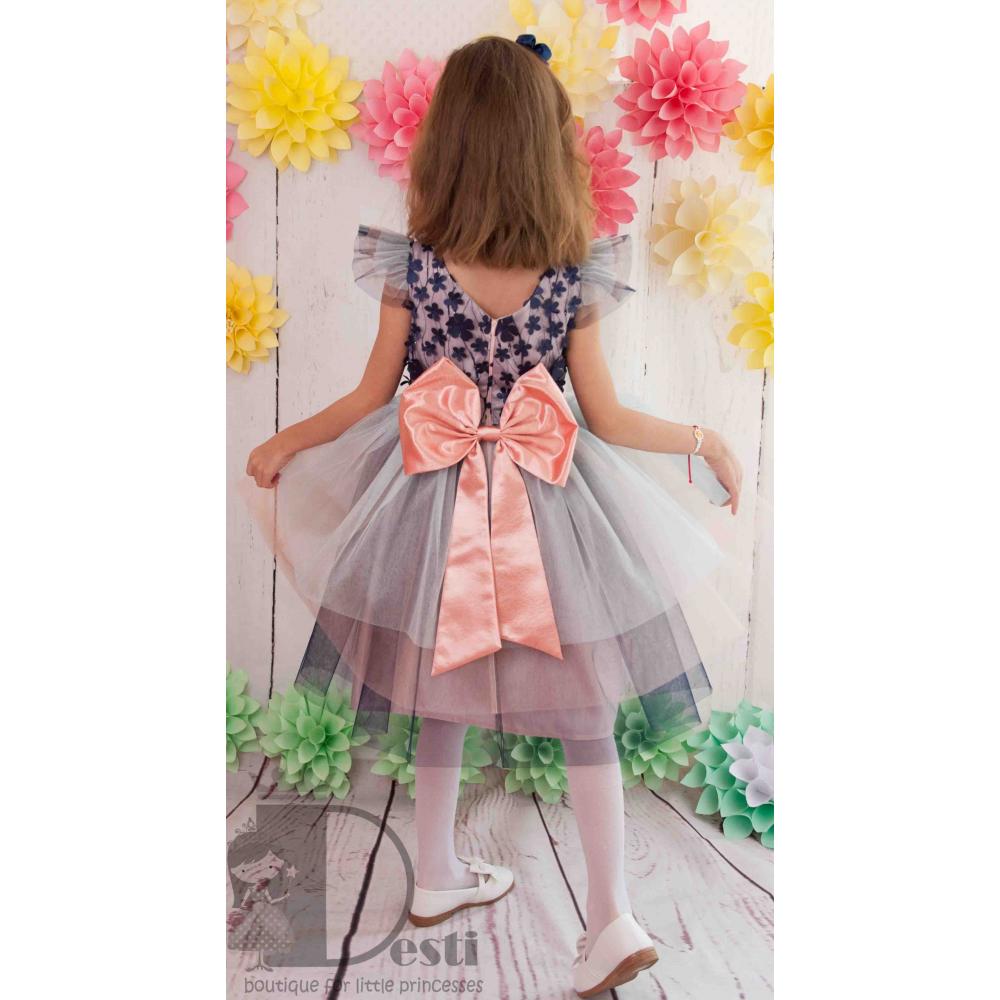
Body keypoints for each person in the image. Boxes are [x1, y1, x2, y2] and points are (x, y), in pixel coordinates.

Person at [245, 34, 742, 998]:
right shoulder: (571, 277)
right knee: (587, 711)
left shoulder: (416, 271)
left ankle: (437, 871)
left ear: (450, 146)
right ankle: (607, 913)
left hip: (431, 506)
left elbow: (367, 397)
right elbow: (607, 418)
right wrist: (702, 438)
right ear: (547, 149)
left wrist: (286, 442)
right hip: (553, 510)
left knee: (443, 688)